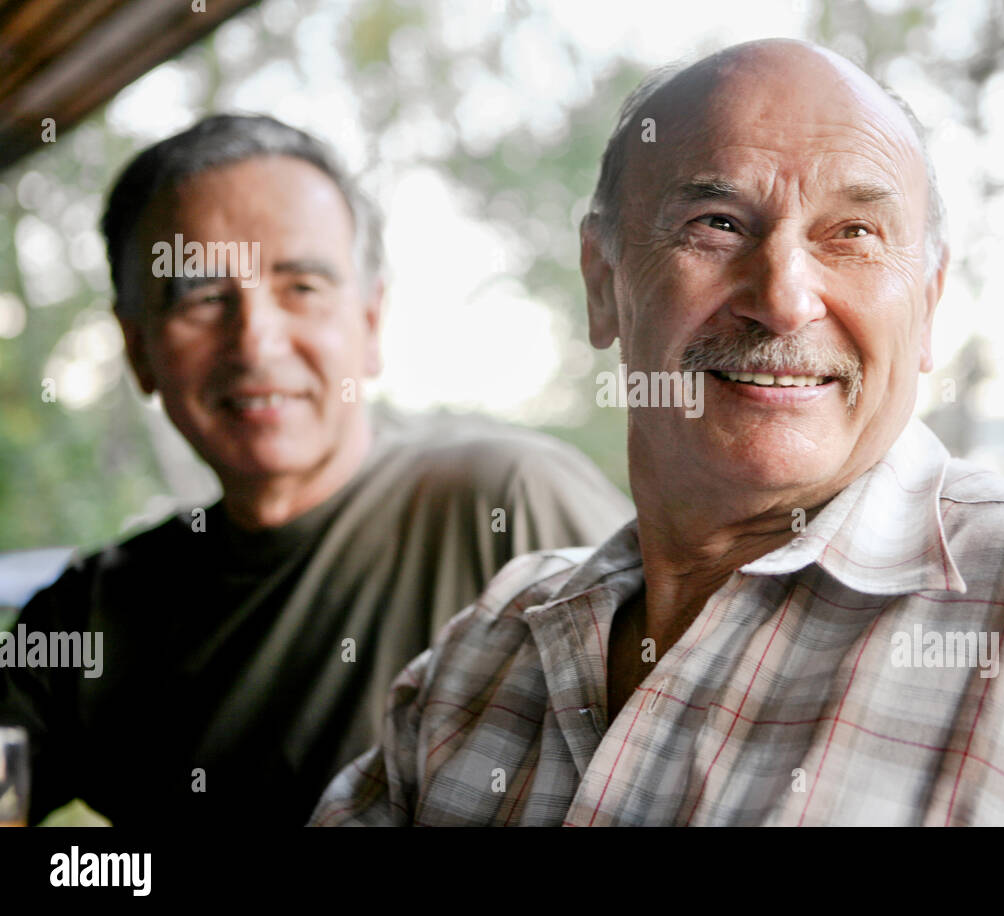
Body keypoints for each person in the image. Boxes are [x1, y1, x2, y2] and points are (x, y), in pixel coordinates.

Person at [310, 40, 1004, 826]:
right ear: (603, 280)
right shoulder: (489, 650)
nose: (783, 299)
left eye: (854, 234)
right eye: (715, 222)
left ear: (929, 300)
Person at [0, 114, 633, 827]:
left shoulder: (508, 504)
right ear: (138, 348)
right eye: (202, 297)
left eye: (301, 286)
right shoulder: (89, 615)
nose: (255, 341)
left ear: (369, 322)